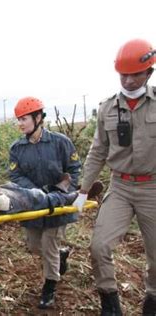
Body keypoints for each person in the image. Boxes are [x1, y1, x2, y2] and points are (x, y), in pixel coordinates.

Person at [73, 39, 156, 315]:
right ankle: (109, 300)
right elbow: (97, 151)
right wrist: (83, 191)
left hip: (152, 187)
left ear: (149, 73)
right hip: (119, 186)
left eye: (136, 74)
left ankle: (152, 298)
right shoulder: (107, 108)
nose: (130, 80)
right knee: (99, 247)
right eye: (124, 74)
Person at [9, 96, 81, 309]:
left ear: (38, 117)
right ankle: (61, 255)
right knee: (34, 245)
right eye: (18, 119)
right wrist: (35, 192)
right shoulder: (17, 148)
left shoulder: (60, 142)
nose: (20, 123)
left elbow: (75, 170)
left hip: (58, 203)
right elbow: (15, 176)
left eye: (24, 119)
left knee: (49, 244)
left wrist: (61, 191)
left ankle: (49, 286)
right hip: (33, 204)